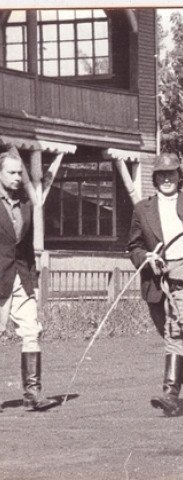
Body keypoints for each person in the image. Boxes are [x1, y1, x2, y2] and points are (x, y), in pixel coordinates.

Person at [128, 152, 183, 416]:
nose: (167, 179)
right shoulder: (142, 209)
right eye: (162, 174)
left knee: (175, 334)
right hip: (156, 283)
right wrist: (147, 258)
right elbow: (134, 246)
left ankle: (170, 394)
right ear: (155, 177)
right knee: (172, 338)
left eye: (171, 173)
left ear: (179, 177)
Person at [0, 151, 56, 412]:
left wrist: (31, 283)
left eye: (20, 173)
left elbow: (26, 249)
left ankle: (32, 393)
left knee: (32, 332)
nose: (17, 177)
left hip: (21, 278)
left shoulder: (27, 205)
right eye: (11, 172)